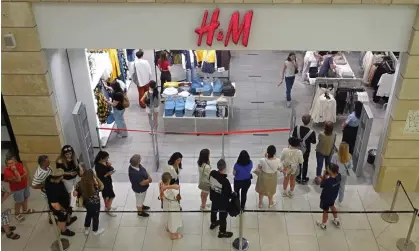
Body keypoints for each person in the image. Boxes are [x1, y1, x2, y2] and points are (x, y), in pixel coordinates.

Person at [45, 168, 77, 237]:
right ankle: (63, 230)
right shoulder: (54, 188)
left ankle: (68, 221)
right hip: (59, 207)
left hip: (64, 203)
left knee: (67, 214)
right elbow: (55, 204)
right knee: (61, 218)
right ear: (60, 177)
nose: (63, 176)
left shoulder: (49, 178)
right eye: (62, 175)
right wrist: (63, 210)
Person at [74, 169, 105, 235]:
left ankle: (86, 229)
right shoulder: (95, 185)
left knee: (88, 214)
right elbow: (102, 186)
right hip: (95, 203)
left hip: (86, 203)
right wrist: (96, 177)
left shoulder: (79, 184)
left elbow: (75, 192)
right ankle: (95, 230)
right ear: (92, 176)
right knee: (95, 217)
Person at [3, 156, 33, 222]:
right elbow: (18, 180)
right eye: (9, 163)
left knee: (25, 197)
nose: (11, 165)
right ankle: (17, 214)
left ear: (15, 162)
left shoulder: (19, 164)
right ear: (6, 165)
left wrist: (20, 176)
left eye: (12, 163)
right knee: (19, 202)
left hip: (25, 185)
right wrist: (15, 170)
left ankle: (25, 210)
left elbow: (26, 173)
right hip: (17, 189)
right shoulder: (7, 172)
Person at [209, 159, 233, 238]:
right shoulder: (225, 181)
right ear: (224, 168)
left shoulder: (212, 174)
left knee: (214, 210)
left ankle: (213, 223)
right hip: (222, 202)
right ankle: (222, 232)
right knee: (222, 217)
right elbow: (229, 194)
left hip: (214, 198)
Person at [316, 163, 341, 230]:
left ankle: (323, 224)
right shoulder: (339, 176)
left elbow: (321, 185)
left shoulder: (328, 181)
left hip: (325, 198)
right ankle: (336, 220)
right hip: (333, 196)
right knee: (332, 206)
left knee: (325, 211)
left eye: (327, 169)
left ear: (330, 171)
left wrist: (324, 175)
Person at [292, 114, 316, 184]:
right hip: (306, 150)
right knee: (305, 163)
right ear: (309, 122)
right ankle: (304, 178)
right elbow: (314, 142)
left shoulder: (297, 128)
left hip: (298, 148)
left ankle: (298, 176)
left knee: (298, 161)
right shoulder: (311, 132)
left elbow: (293, 136)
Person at [160, 172, 183, 240]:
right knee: (173, 219)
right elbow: (178, 196)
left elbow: (161, 196)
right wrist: (168, 186)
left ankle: (168, 227)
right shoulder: (172, 190)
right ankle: (173, 234)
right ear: (169, 180)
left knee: (167, 217)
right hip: (173, 206)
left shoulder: (160, 184)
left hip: (166, 204)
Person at [31, 155, 53, 224]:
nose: (49, 161)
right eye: (47, 160)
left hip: (53, 189)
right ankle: (50, 218)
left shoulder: (48, 167)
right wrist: (44, 185)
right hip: (47, 193)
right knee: (50, 206)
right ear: (43, 163)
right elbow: (34, 186)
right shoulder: (39, 174)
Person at [94, 151, 116, 217]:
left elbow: (111, 168)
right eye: (106, 158)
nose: (107, 159)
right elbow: (100, 177)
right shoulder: (97, 166)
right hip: (103, 183)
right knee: (111, 195)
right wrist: (107, 174)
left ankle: (108, 206)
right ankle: (108, 208)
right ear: (101, 158)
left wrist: (109, 166)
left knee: (107, 196)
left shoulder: (105, 162)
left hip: (108, 181)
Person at [2, 174, 20, 240]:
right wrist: (5, 195)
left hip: (4, 201)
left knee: (6, 215)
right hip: (2, 203)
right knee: (3, 218)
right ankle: (8, 233)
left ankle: (4, 227)